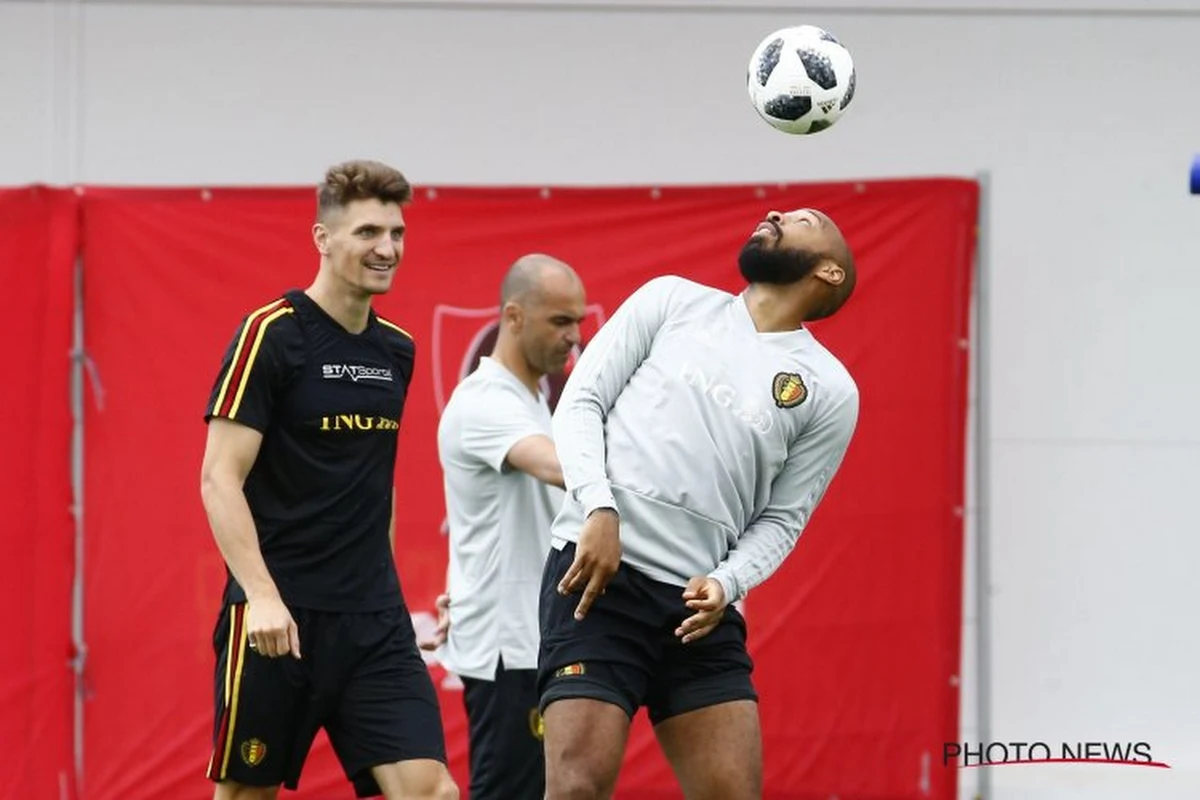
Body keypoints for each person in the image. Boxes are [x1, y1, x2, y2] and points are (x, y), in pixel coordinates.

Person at [538, 208, 861, 800]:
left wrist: (729, 582)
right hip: (597, 584)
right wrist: (598, 508)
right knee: (576, 788)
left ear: (830, 272)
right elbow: (581, 400)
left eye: (803, 219)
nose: (775, 214)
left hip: (698, 612)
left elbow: (784, 519)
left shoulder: (830, 389)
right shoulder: (672, 300)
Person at [199, 160, 458, 800]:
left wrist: (386, 588)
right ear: (323, 238)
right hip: (279, 618)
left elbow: (378, 482)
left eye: (396, 233)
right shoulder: (271, 337)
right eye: (369, 232)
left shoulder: (396, 349)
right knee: (243, 795)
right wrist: (260, 596)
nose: (387, 248)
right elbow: (218, 478)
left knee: (433, 792)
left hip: (375, 622)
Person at [424, 254, 587, 800]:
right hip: (507, 649)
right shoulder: (487, 402)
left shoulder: (531, 398)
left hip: (532, 641)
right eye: (560, 321)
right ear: (513, 317)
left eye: (578, 321)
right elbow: (562, 467)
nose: (575, 336)